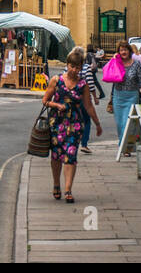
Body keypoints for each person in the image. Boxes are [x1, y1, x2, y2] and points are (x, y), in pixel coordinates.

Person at [41, 48, 102, 202]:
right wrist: (56, 105)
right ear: (67, 65)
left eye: (78, 67)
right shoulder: (56, 80)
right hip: (57, 123)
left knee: (71, 155)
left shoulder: (83, 85)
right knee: (56, 156)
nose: (75, 70)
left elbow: (88, 106)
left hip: (74, 124)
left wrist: (97, 124)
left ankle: (68, 189)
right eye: (72, 66)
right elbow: (45, 100)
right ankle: (56, 184)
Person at [106, 40, 141, 144]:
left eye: (125, 50)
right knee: (120, 123)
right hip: (118, 96)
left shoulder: (137, 64)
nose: (123, 52)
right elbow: (107, 72)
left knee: (127, 122)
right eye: (121, 50)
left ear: (129, 51)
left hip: (132, 96)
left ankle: (126, 146)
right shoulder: (116, 62)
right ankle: (123, 145)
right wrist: (114, 58)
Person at [78, 45, 105, 153]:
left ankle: (73, 142)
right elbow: (90, 84)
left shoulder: (68, 67)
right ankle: (84, 144)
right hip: (84, 99)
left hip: (71, 99)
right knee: (86, 121)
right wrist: (95, 97)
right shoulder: (86, 68)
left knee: (75, 120)